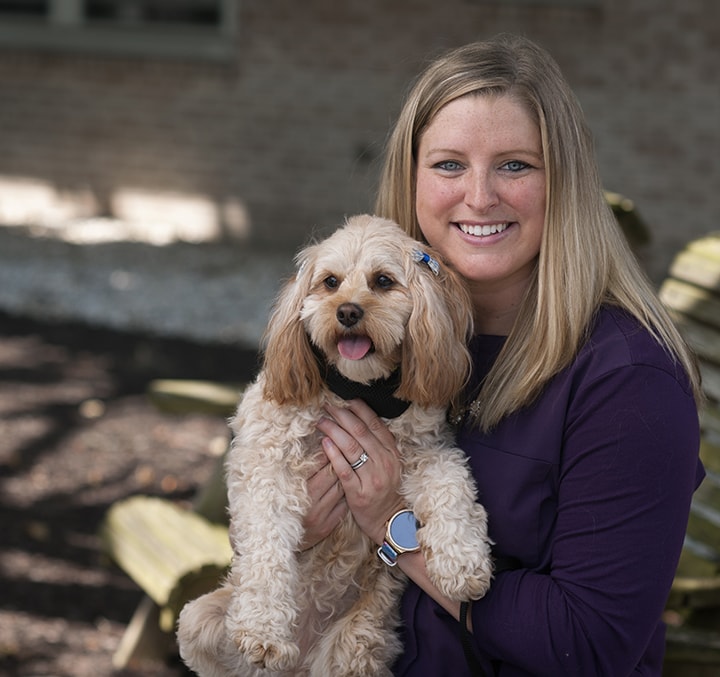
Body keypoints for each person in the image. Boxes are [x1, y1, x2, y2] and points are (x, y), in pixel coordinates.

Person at [306, 34, 704, 675]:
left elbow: (588, 644)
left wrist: (393, 524)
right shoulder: (367, 344)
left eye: (515, 165)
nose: (480, 195)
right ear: (410, 181)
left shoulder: (630, 381)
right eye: (448, 165)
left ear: (564, 185)